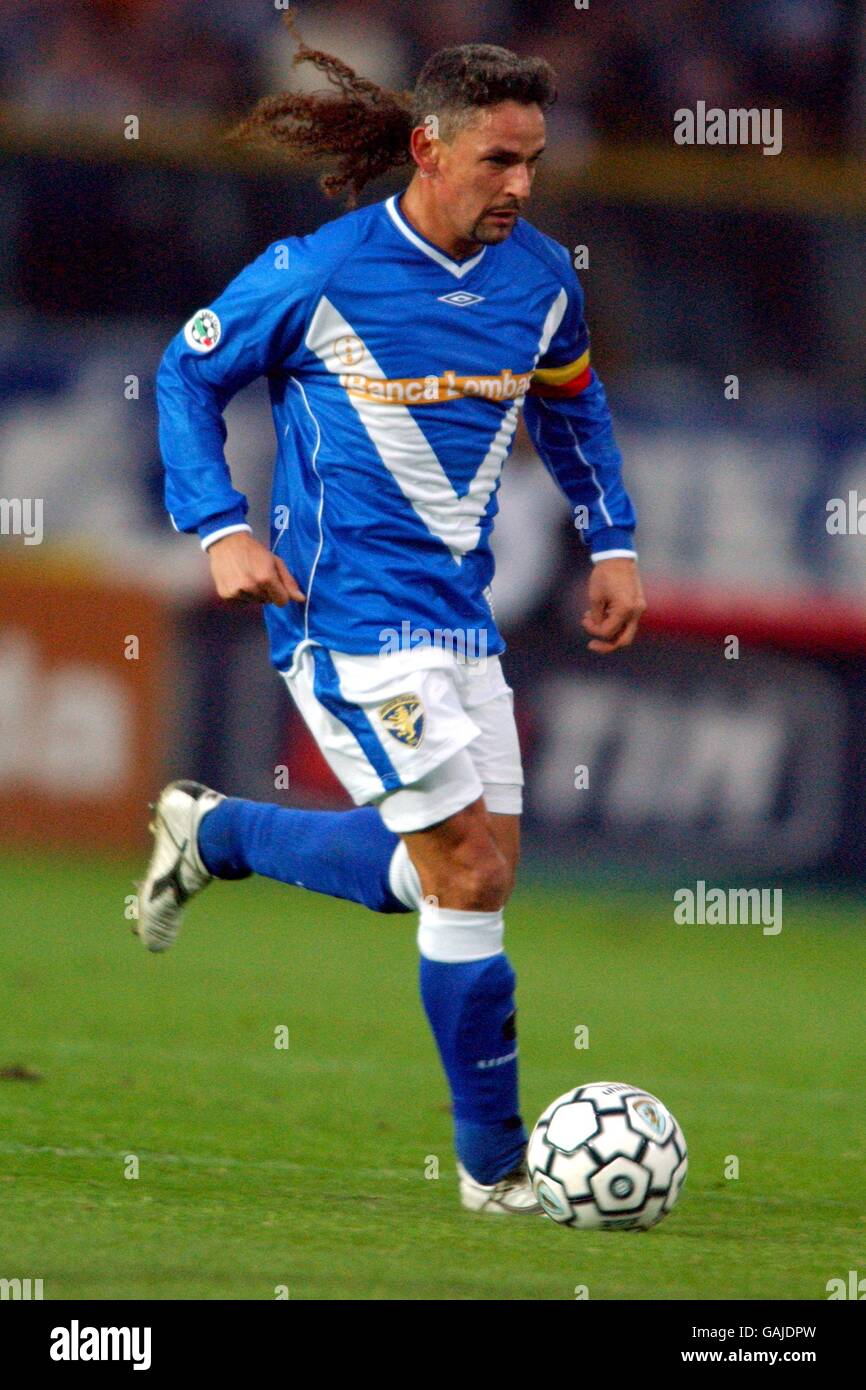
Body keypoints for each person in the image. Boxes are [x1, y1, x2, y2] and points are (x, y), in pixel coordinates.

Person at [142, 27, 644, 1216]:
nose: (520, 186)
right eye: (498, 161)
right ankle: (491, 1172)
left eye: (533, 162)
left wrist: (611, 539)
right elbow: (183, 372)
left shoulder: (540, 282)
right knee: (465, 872)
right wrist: (219, 528)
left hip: (460, 624)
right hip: (344, 621)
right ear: (429, 148)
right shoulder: (319, 270)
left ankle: (218, 836)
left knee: (463, 881)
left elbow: (575, 409)